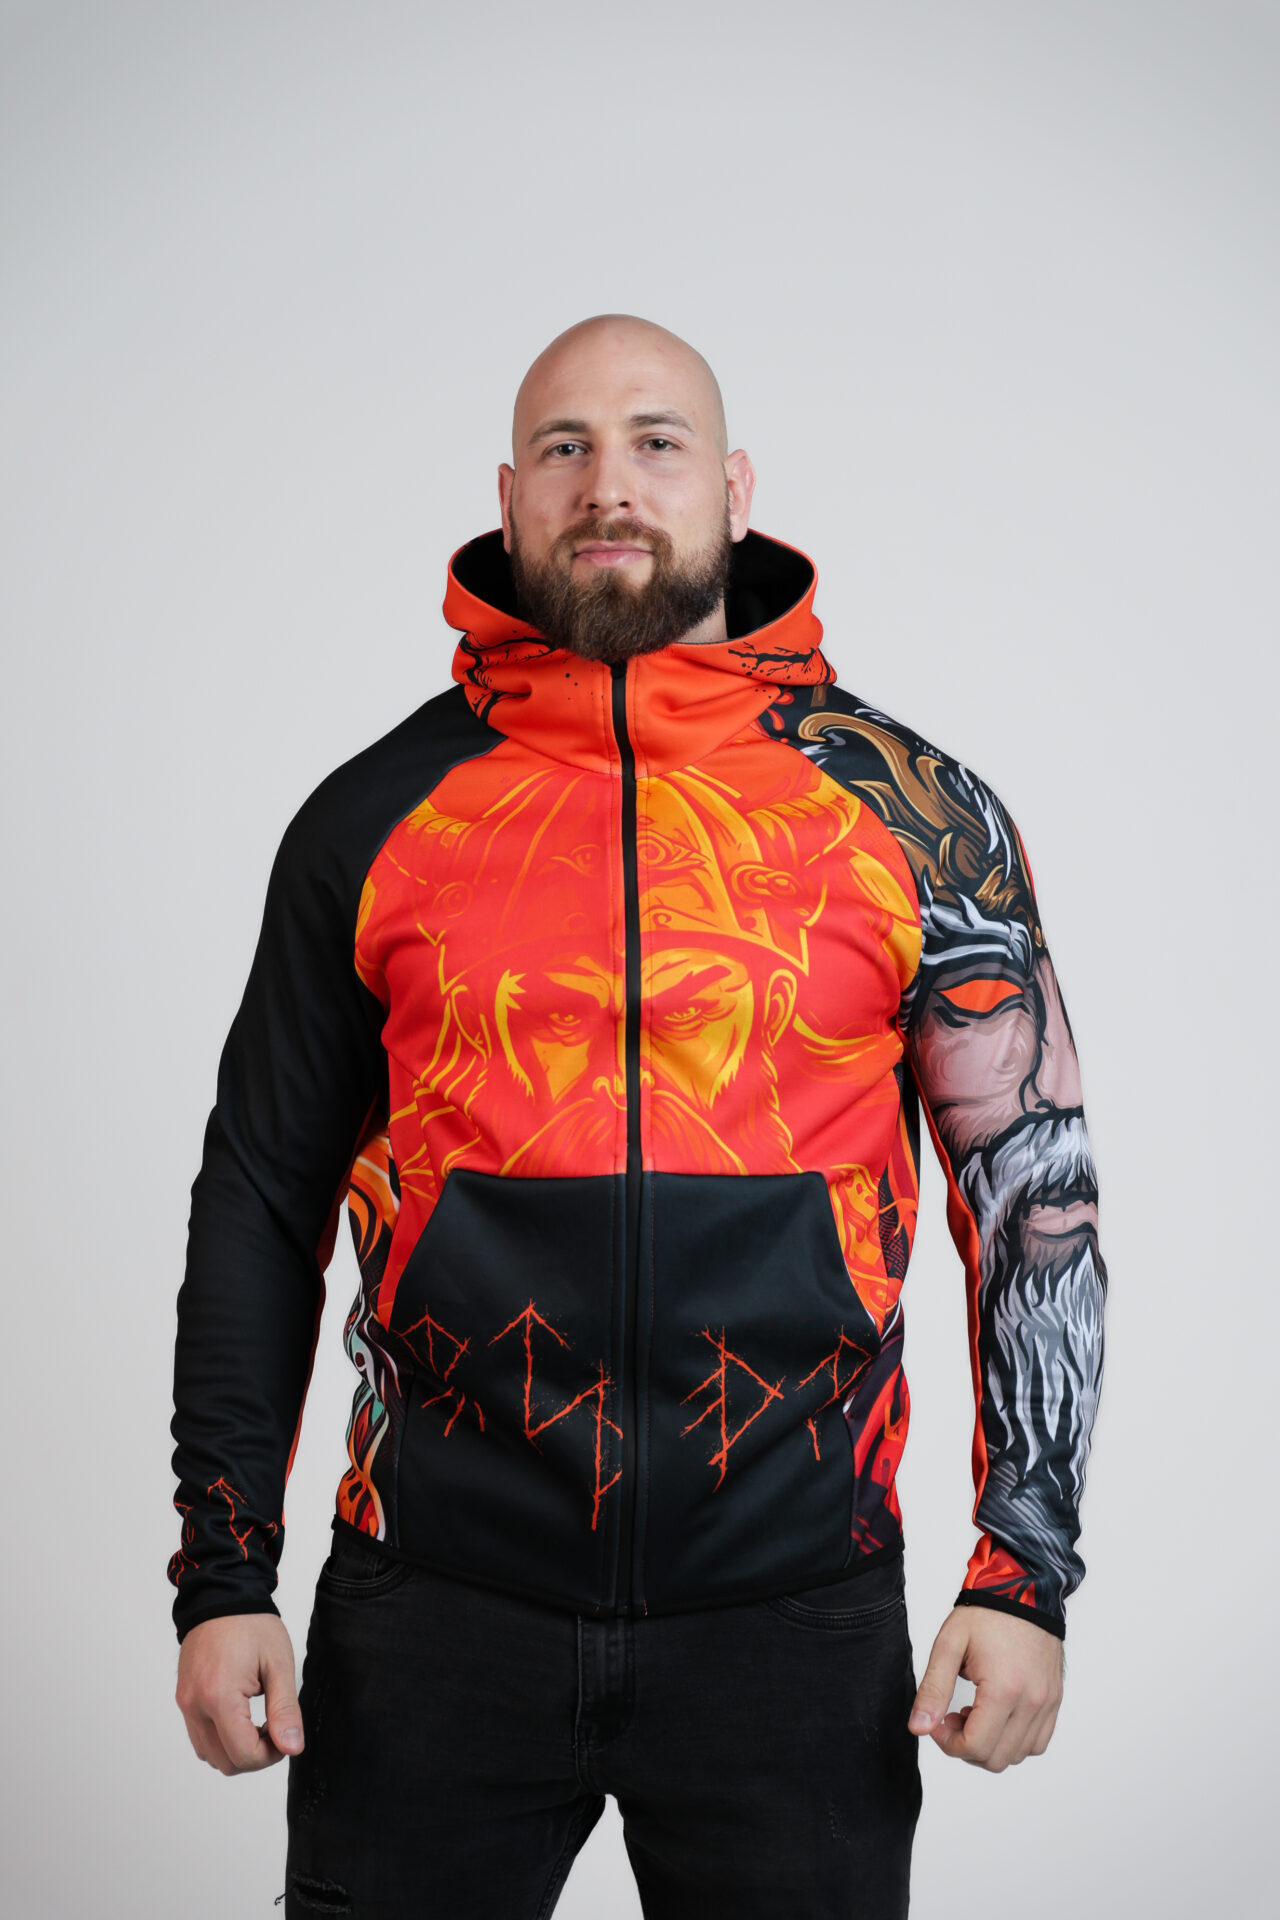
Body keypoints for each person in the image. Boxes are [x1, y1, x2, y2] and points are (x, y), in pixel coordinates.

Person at [170, 314, 1107, 1918]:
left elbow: (1032, 1196)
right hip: (434, 1612)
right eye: (567, 448)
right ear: (509, 498)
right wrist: (222, 1572)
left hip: (795, 1620)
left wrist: (1025, 1571)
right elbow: (260, 1197)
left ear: (733, 489)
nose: (611, 484)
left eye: (657, 443)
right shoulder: (372, 819)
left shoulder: (912, 816)